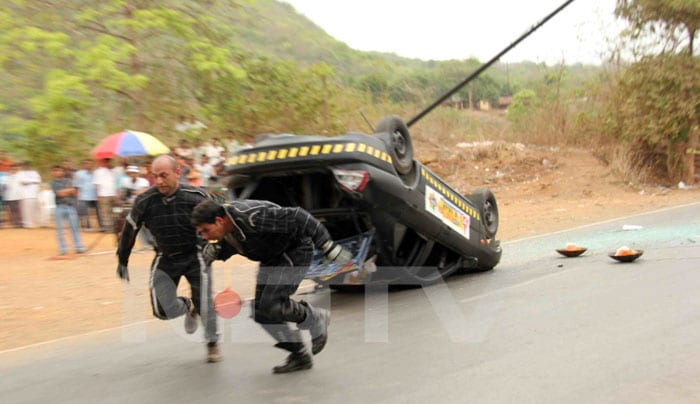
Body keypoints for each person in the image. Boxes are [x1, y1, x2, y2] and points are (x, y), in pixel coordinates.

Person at [191, 199, 353, 374]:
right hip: (271, 259)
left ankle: (313, 318)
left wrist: (326, 244)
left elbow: (299, 216)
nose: (205, 237)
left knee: (272, 303)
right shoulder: (226, 231)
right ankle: (299, 355)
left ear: (219, 221)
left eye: (206, 231)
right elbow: (241, 246)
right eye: (201, 233)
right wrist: (217, 253)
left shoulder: (252, 217)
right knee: (261, 312)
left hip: (294, 250)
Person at [116, 155, 220, 362]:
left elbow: (220, 220)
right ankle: (189, 307)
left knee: (205, 302)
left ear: (177, 173)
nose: (159, 181)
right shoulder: (144, 201)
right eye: (155, 177)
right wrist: (123, 259)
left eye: (164, 175)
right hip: (165, 256)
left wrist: (221, 247)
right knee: (161, 310)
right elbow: (129, 230)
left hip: (195, 255)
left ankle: (212, 344)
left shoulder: (196, 196)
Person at [50, 164, 85, 255]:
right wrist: (68, 191)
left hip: (70, 206)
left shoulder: (69, 180)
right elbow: (59, 194)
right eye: (56, 171)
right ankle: (63, 248)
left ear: (63, 171)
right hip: (59, 207)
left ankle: (79, 247)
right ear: (53, 172)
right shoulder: (53, 182)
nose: (59, 172)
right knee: (60, 229)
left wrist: (67, 191)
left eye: (60, 170)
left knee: (75, 227)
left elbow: (74, 192)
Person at [74, 159, 100, 231]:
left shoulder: (94, 173)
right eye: (87, 164)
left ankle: (100, 226)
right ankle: (88, 226)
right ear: (83, 165)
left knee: (97, 212)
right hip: (84, 196)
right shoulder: (79, 174)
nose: (89, 165)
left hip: (94, 196)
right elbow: (76, 186)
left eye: (90, 164)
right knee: (85, 212)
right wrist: (77, 196)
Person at [93, 158, 116, 232]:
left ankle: (110, 227)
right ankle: (108, 227)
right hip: (105, 194)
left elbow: (113, 183)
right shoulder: (100, 171)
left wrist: (115, 194)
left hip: (109, 194)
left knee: (109, 212)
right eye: (107, 161)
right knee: (106, 212)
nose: (108, 163)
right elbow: (97, 184)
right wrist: (98, 195)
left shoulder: (110, 171)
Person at [17, 161, 41, 228]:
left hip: (34, 194)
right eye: (24, 165)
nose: (25, 166)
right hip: (24, 195)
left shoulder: (35, 172)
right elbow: (22, 182)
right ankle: (26, 224)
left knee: (33, 210)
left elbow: (38, 181)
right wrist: (32, 181)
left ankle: (32, 223)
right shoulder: (20, 173)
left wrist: (29, 181)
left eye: (26, 165)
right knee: (25, 210)